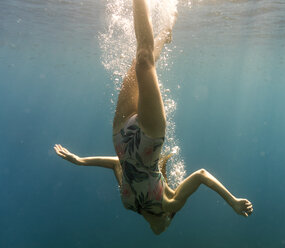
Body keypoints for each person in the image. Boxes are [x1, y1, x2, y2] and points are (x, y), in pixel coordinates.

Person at [54, 0, 253, 235]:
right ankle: (158, 24)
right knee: (144, 60)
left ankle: (163, 36)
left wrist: (80, 160)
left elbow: (118, 165)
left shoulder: (128, 205)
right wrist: (232, 201)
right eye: (168, 225)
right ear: (169, 218)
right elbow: (200, 175)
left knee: (137, 62)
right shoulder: (170, 203)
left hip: (120, 134)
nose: (161, 230)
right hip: (150, 138)